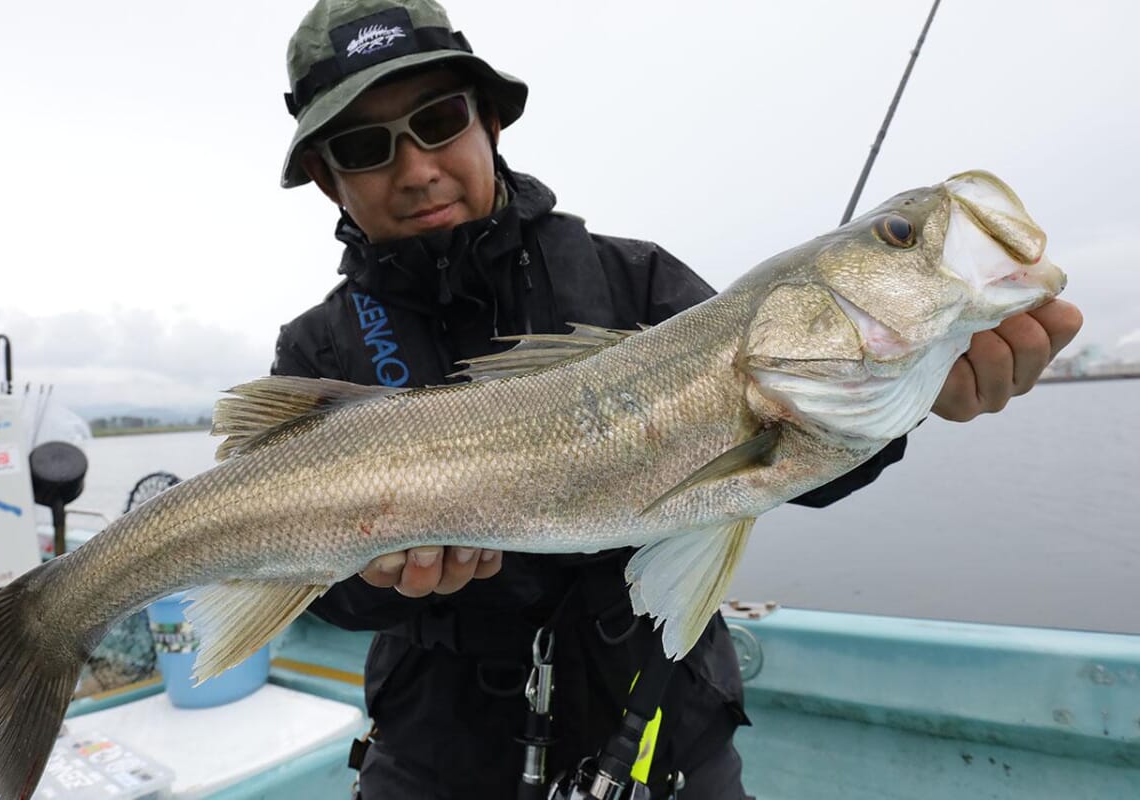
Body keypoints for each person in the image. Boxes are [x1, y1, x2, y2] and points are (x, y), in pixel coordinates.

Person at [270, 1, 1083, 797]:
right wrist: (374, 578)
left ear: (486, 119)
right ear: (325, 176)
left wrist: (912, 396)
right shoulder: (316, 353)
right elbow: (305, 586)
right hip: (437, 745)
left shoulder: (638, 281)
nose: (417, 169)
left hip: (659, 711)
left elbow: (805, 467)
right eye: (365, 146)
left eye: (440, 119)